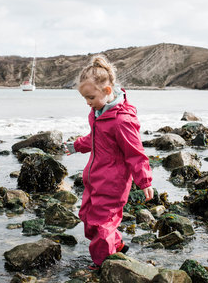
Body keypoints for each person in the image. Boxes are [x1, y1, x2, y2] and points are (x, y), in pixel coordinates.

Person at [66, 54, 154, 270]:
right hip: (94, 178)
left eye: (90, 97)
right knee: (87, 217)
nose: (88, 103)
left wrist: (144, 181)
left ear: (107, 91)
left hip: (113, 183)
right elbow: (96, 139)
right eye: (85, 98)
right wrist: (77, 145)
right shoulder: (97, 113)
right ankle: (118, 246)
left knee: (102, 223)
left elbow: (135, 153)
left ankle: (103, 264)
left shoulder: (121, 121)